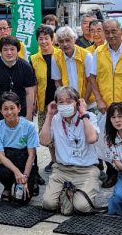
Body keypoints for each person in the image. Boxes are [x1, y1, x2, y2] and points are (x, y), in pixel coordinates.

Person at [90, 19, 122, 188]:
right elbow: (92, 77)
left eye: (114, 31)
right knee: (109, 141)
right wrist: (98, 99)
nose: (111, 35)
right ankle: (112, 173)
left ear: (121, 31)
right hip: (108, 107)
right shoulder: (98, 52)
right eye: (107, 31)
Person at [0, 35, 36, 188]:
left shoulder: (25, 66)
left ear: (18, 50)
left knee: (28, 142)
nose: (9, 52)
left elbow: (30, 92)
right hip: (0, 110)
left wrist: (28, 115)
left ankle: (34, 171)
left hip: (20, 110)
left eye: (12, 49)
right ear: (0, 51)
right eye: (5, 49)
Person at [40, 86, 101, 214]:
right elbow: (44, 141)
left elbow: (92, 138)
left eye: (69, 101)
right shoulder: (55, 119)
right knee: (48, 204)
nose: (65, 104)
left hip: (86, 170)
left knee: (82, 207)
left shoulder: (89, 117)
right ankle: (70, 195)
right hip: (62, 170)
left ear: (77, 103)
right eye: (61, 102)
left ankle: (77, 195)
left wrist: (83, 113)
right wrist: (49, 115)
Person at [0, 92, 39, 204]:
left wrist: (25, 176)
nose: (9, 112)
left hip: (25, 165)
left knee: (22, 200)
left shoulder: (29, 127)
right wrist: (17, 172)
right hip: (9, 165)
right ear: (1, 111)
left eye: (12, 108)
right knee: (3, 173)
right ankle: (7, 187)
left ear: (19, 108)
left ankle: (32, 180)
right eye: (5, 109)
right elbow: (1, 156)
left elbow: (32, 155)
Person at [30, 25, 62, 174]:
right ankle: (54, 160)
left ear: (52, 39)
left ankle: (64, 160)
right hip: (44, 101)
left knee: (63, 132)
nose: (43, 42)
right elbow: (34, 83)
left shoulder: (60, 55)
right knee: (48, 134)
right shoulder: (34, 58)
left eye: (46, 38)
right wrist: (35, 102)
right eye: (40, 39)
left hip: (61, 101)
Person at [56, 27, 94, 103]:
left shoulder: (86, 56)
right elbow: (58, 82)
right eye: (61, 41)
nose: (65, 44)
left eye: (67, 40)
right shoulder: (55, 57)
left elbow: (91, 81)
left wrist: (84, 101)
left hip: (89, 101)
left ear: (74, 39)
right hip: (68, 103)